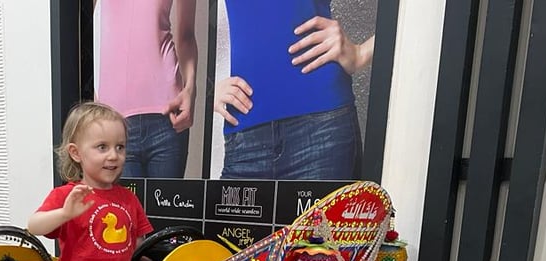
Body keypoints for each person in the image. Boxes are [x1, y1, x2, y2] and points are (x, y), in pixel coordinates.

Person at [214, 1, 374, 180]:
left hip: (322, 129)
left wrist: (361, 53)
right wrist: (208, 90)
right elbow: (185, 35)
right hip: (245, 134)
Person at [27, 102, 153, 261]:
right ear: (76, 153)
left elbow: (137, 246)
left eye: (120, 147)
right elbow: (34, 226)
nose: (114, 155)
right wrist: (64, 214)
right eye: (102, 147)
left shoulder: (129, 198)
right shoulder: (67, 196)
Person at [95, 0, 198, 178]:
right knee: (119, 206)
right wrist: (88, 93)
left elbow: (187, 35)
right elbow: (78, 28)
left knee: (165, 205)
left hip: (168, 116)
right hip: (113, 119)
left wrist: (190, 90)